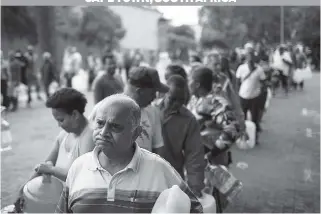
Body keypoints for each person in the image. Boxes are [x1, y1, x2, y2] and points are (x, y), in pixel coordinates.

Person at [55, 94, 203, 213]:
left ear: (135, 134)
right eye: (100, 123)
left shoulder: (160, 169)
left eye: (115, 127)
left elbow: (195, 209)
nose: (104, 132)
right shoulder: (78, 167)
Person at [14, 88, 95, 212]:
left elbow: (79, 175)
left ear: (75, 115)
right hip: (55, 200)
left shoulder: (89, 136)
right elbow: (46, 163)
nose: (59, 125)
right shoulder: (64, 135)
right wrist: (25, 187)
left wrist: (51, 170)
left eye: (61, 120)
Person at [186, 66, 240, 212]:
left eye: (190, 80)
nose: (188, 83)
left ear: (197, 83)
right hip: (196, 161)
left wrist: (210, 154)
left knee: (212, 201)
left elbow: (232, 130)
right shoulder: (194, 99)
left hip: (212, 161)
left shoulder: (216, 102)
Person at [153, 75, 205, 198]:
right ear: (164, 93)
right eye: (173, 99)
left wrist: (195, 186)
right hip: (145, 176)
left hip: (172, 178)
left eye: (181, 100)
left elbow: (195, 155)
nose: (176, 104)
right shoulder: (148, 110)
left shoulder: (189, 120)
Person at [122, 66, 167, 155]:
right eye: (152, 93)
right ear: (140, 91)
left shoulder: (152, 111)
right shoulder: (107, 110)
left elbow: (158, 149)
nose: (155, 97)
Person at [236, 43, 266, 143]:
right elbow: (237, 83)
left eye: (252, 55)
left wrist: (260, 95)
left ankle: (255, 138)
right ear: (246, 57)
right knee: (242, 118)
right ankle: (242, 137)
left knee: (254, 119)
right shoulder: (241, 68)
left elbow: (263, 83)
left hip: (254, 97)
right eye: (248, 56)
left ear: (254, 57)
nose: (250, 58)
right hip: (243, 97)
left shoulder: (259, 69)